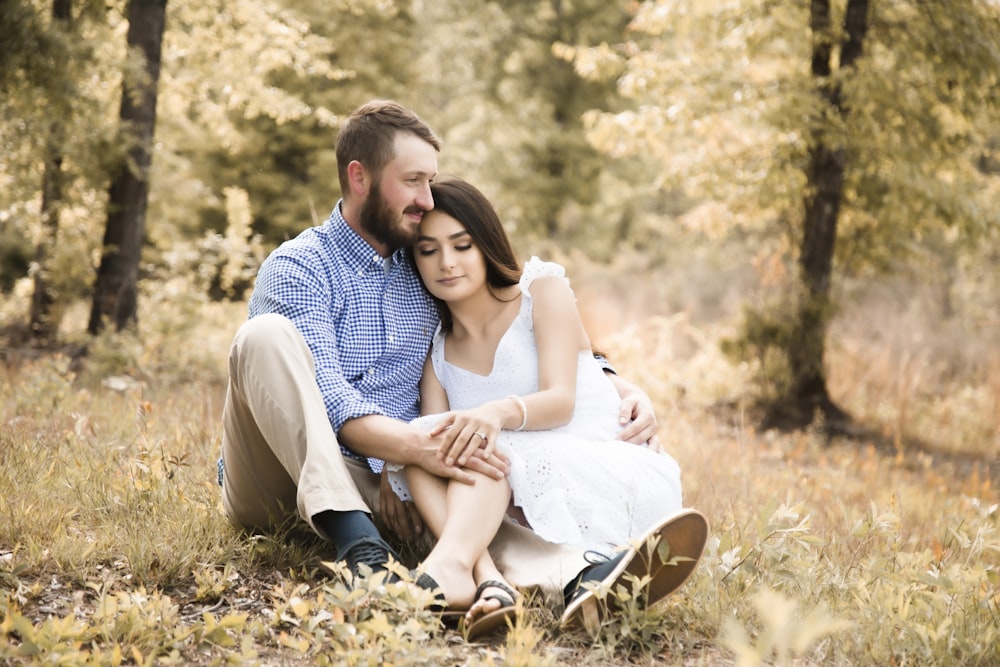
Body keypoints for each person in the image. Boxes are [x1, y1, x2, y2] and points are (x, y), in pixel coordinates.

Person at [217, 98, 693, 634]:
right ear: (360, 177)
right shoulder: (300, 267)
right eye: (413, 181)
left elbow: (519, 326)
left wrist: (616, 384)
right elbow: (332, 405)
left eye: (430, 182)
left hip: (392, 482)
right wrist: (415, 449)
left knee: (485, 489)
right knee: (263, 336)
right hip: (279, 474)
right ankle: (360, 548)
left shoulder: (418, 266)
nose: (425, 199)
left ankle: (581, 578)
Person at [385, 177, 707, 638]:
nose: (447, 263)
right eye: (428, 250)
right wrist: (399, 458)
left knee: (478, 444)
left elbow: (560, 402)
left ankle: (450, 568)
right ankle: (490, 579)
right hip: (512, 495)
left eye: (462, 245)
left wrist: (495, 413)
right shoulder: (437, 356)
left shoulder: (542, 291)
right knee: (428, 442)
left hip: (600, 464)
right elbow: (433, 450)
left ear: (486, 243)